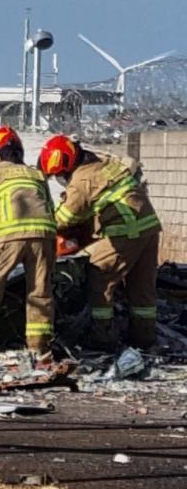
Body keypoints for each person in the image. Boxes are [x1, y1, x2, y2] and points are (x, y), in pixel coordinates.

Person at [38, 135, 161, 351]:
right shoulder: (100, 160)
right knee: (141, 289)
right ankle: (144, 340)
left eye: (59, 174)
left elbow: (62, 221)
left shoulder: (81, 182)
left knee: (100, 279)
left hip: (125, 231)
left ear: (67, 166)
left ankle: (101, 341)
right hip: (149, 227)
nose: (60, 178)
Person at [0, 126, 57, 356]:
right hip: (43, 236)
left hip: (7, 237)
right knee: (40, 292)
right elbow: (49, 206)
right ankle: (39, 347)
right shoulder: (36, 174)